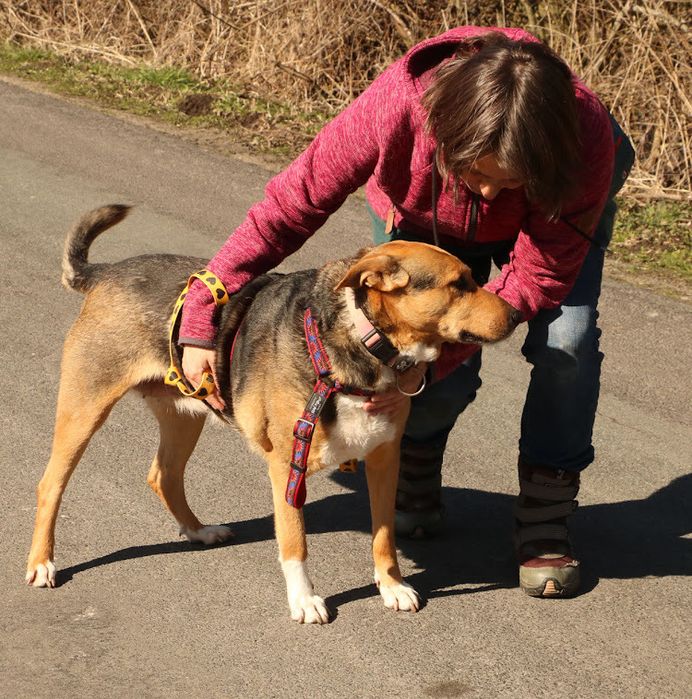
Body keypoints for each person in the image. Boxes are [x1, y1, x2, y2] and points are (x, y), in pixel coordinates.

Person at [178, 27, 635, 598]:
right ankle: (413, 456)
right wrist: (204, 302)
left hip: (554, 224)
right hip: (424, 222)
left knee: (567, 341)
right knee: (401, 347)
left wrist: (429, 365)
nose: (491, 194)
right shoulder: (399, 104)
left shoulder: (583, 140)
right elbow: (292, 203)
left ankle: (547, 503)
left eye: (509, 180)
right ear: (446, 133)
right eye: (477, 172)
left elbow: (539, 275)